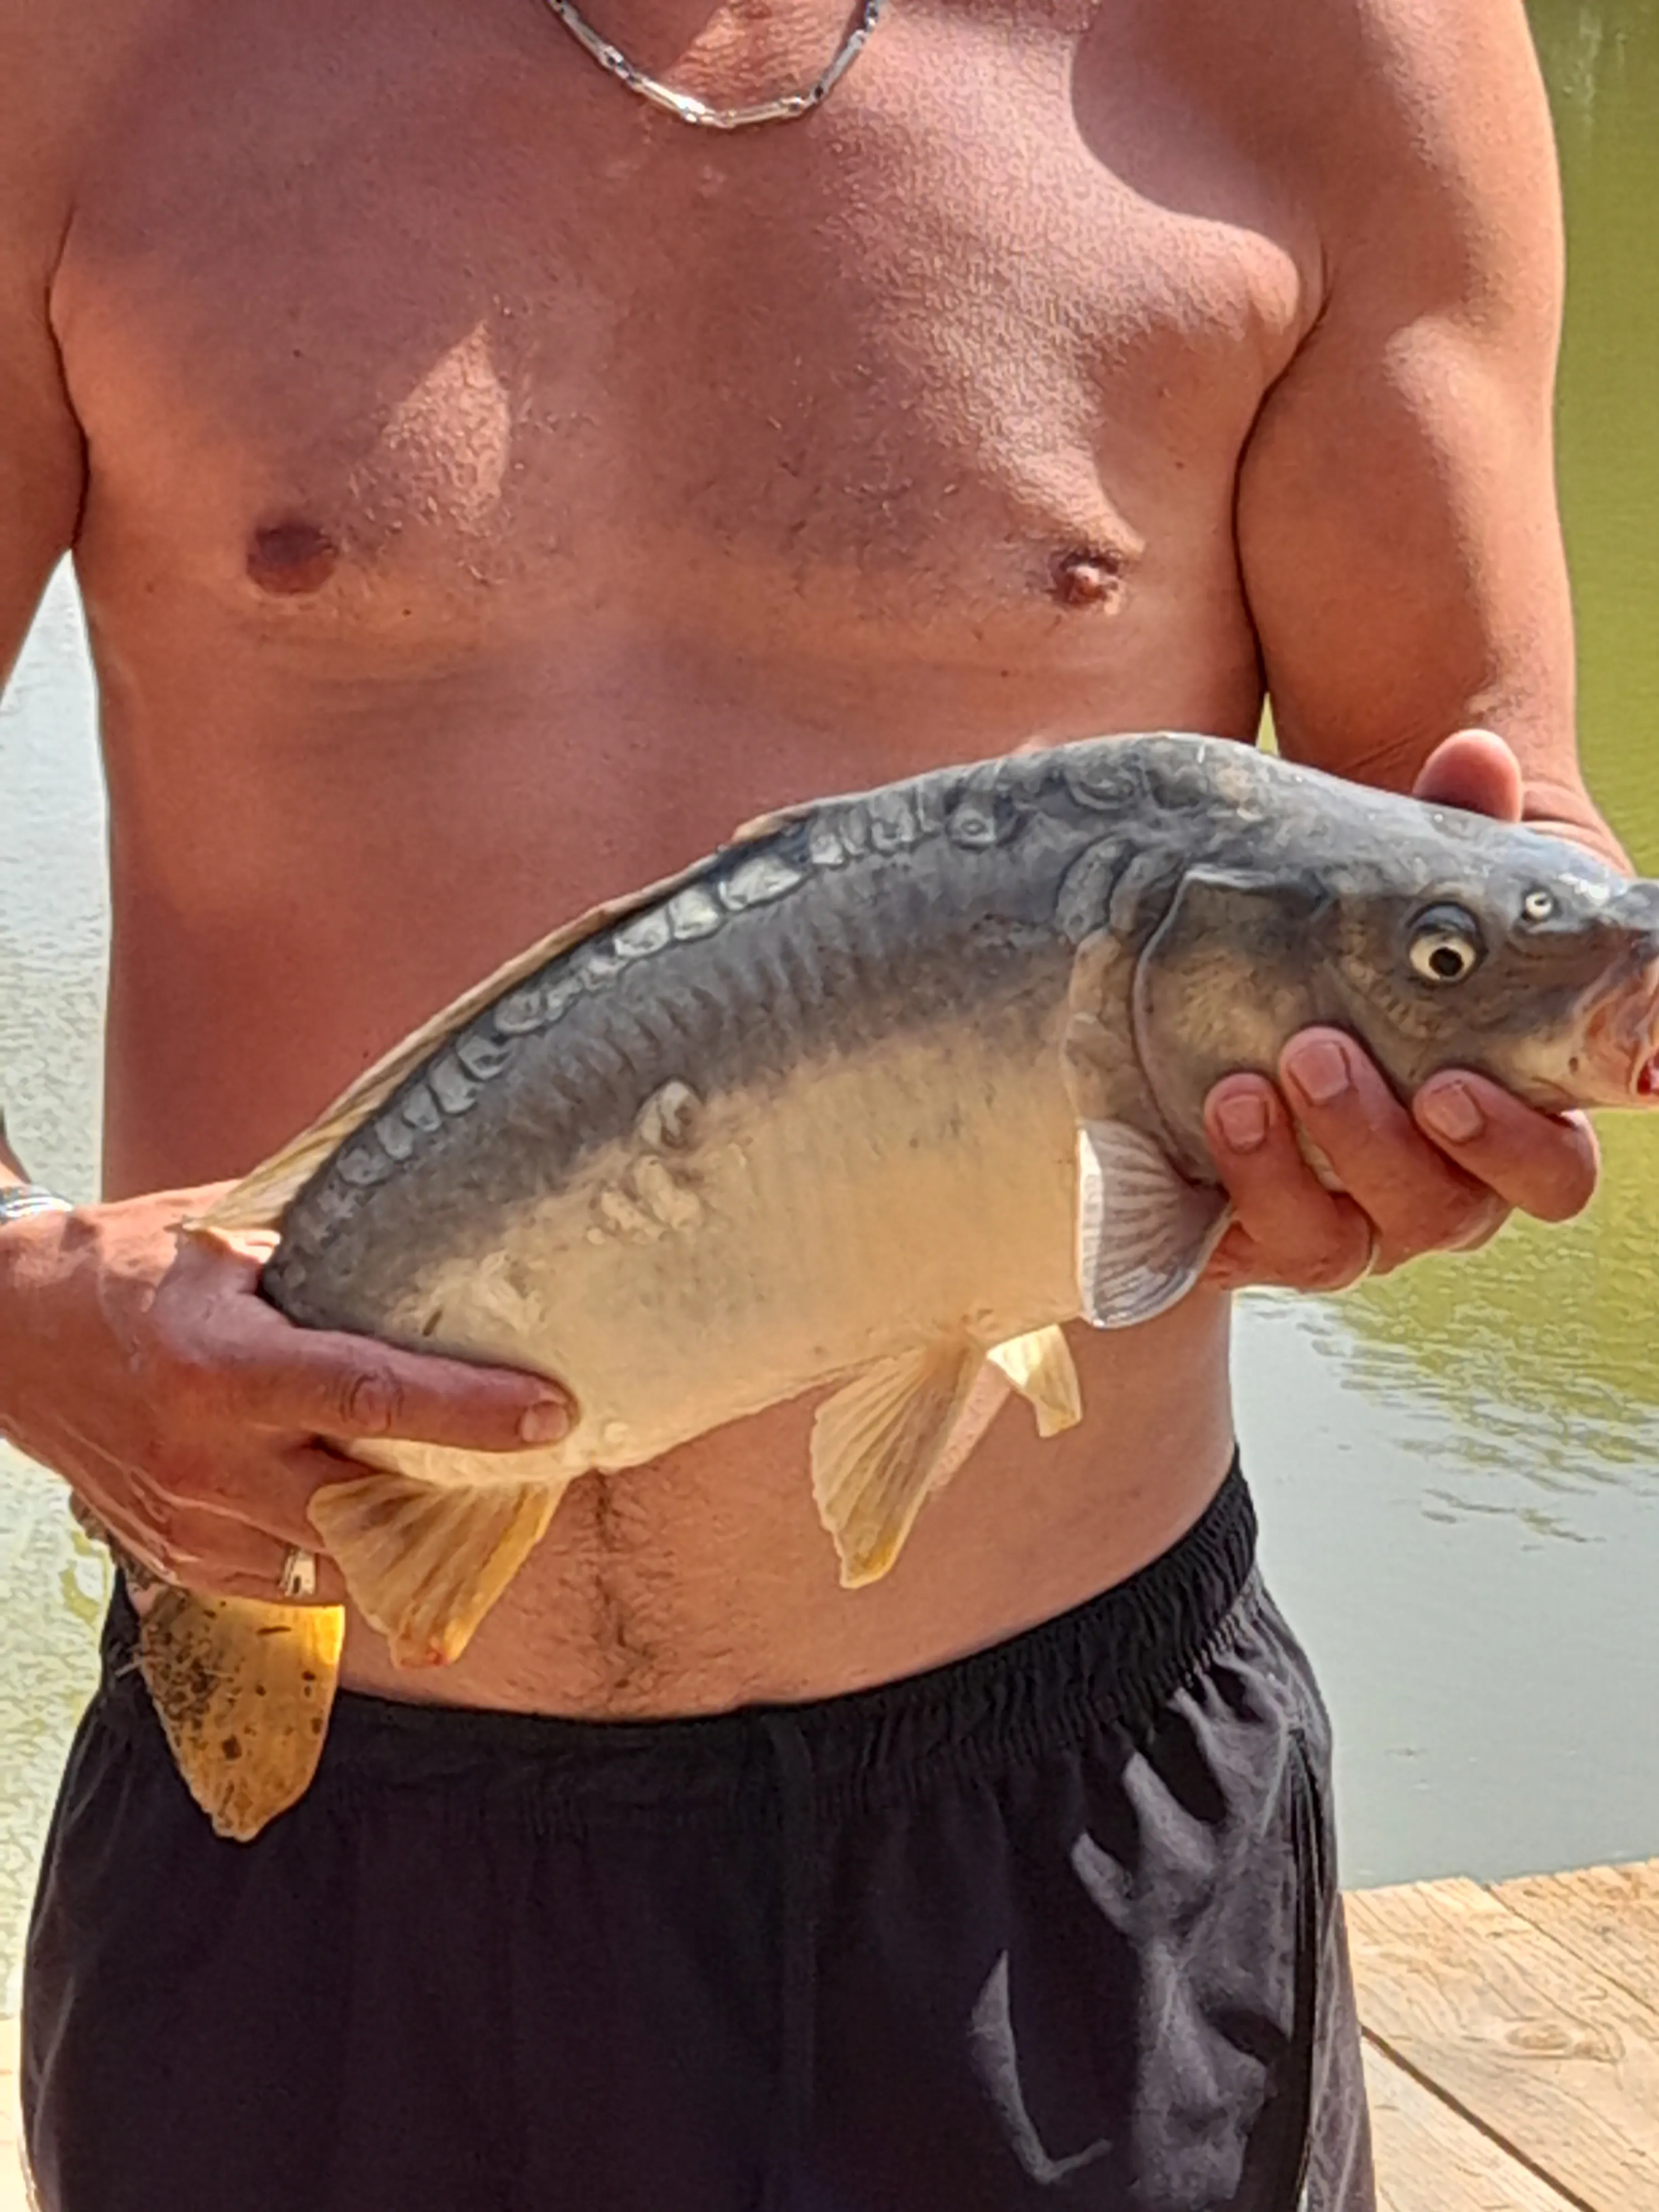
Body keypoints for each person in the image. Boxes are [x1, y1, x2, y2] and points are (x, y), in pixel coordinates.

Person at [0, 1, 1624, 2206]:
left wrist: (1428, 1139)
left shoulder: (1346, 41)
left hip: (1056, 1863)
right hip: (309, 1843)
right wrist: (15, 1297)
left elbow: (1494, 848)